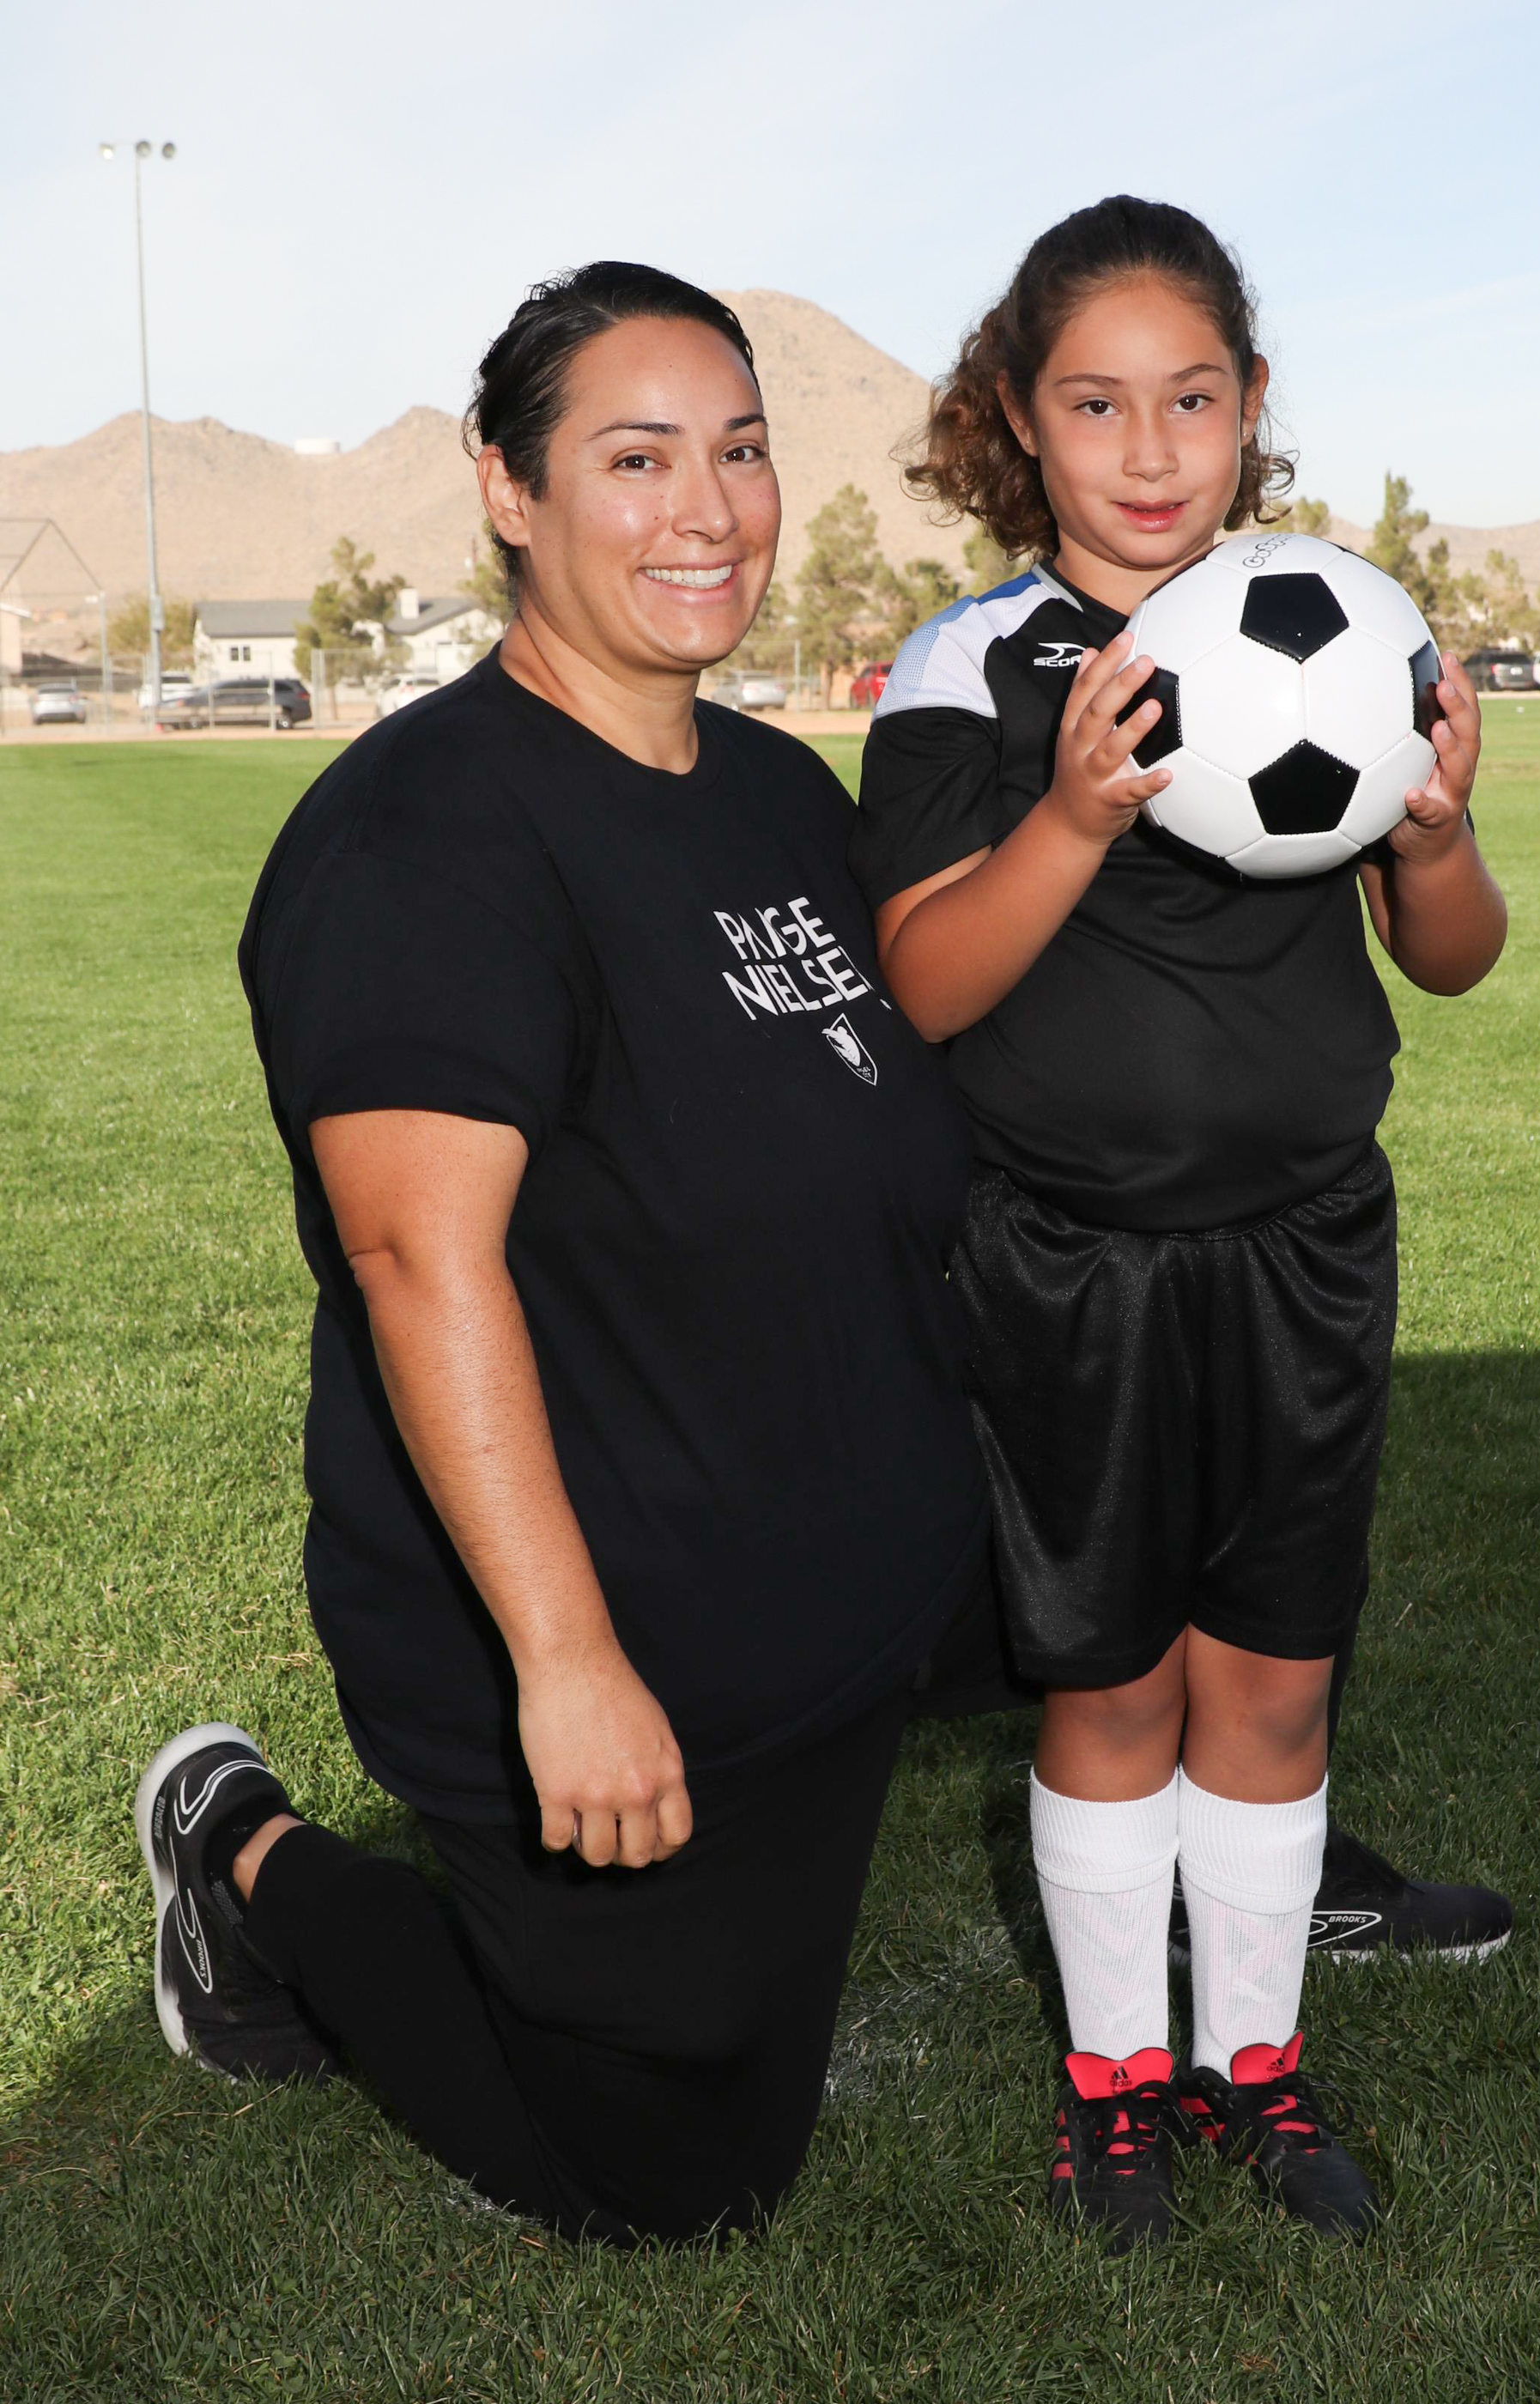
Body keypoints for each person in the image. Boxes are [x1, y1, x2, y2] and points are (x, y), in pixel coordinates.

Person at [131, 263, 991, 2245]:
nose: (708, 509)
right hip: (599, 1629)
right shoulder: (422, 840)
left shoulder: (776, 795)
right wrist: (569, 1663)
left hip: (824, 1595)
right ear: (510, 491)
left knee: (1163, 1585)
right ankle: (243, 1854)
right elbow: (415, 1262)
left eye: (741, 452)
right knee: (674, 2171)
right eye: (636, 458)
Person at [850, 197, 1510, 2246]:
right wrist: (1068, 814)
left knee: (1276, 1685)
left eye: (1191, 399)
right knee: (1115, 1689)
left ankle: (1255, 2065)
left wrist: (1438, 834)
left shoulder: (1336, 624)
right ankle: (1112, 2085)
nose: (1147, 450)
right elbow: (925, 984)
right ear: (1017, 422)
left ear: (1249, 407)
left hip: (1306, 1246)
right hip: (1073, 1264)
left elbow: (1450, 957)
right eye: (1095, 403)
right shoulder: (973, 665)